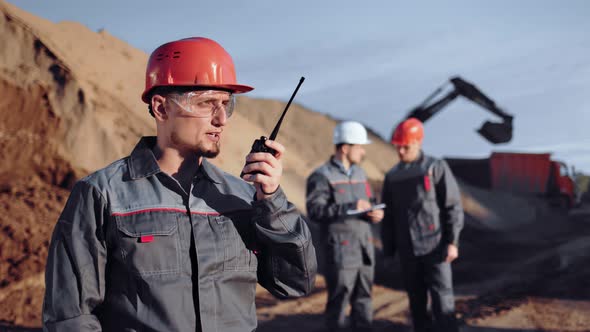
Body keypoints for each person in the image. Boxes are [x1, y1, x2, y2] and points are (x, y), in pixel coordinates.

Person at [42, 37, 317, 332]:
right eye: (207, 104)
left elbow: (294, 284)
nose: (221, 119)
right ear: (161, 109)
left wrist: (272, 201)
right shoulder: (102, 194)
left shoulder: (245, 197)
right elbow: (70, 317)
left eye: (226, 104)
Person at [380, 118, 464, 332]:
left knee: (443, 304)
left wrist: (452, 241)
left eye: (405, 147)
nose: (400, 152)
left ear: (418, 142)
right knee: (417, 305)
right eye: (397, 147)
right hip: (408, 252)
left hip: (435, 248)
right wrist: (389, 251)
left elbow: (452, 206)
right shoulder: (392, 176)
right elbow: (389, 216)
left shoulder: (435, 168)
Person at [306, 121, 384, 330]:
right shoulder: (321, 176)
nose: (363, 151)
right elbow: (315, 211)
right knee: (338, 305)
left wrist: (374, 212)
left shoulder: (360, 174)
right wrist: (350, 206)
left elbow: (368, 202)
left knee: (364, 302)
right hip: (340, 252)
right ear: (345, 148)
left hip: (364, 249)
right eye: (359, 146)